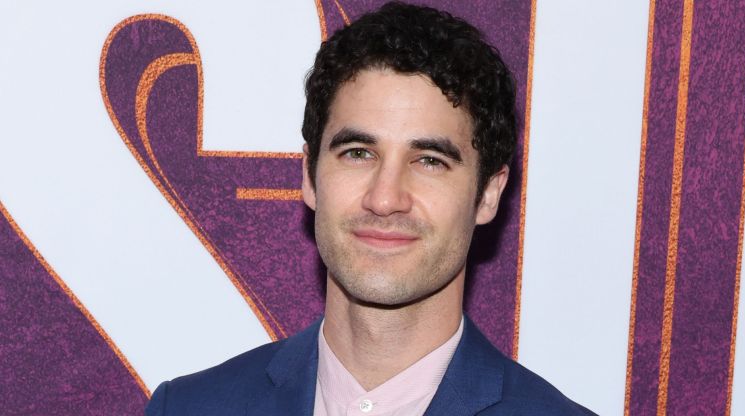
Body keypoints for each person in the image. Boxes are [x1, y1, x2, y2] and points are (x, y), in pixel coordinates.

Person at [146, 2, 595, 415]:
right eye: (358, 152)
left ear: (489, 194)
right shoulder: (186, 407)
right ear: (309, 176)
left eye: (430, 161)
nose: (384, 199)